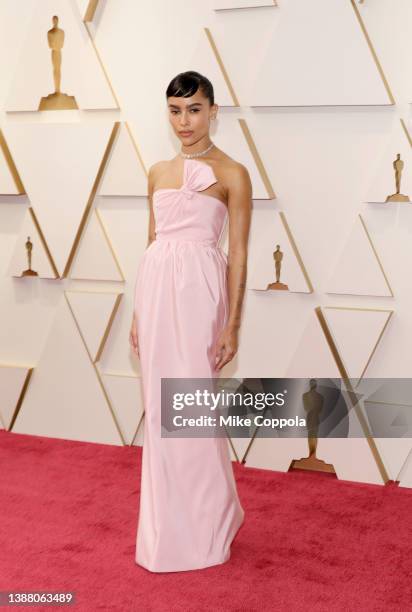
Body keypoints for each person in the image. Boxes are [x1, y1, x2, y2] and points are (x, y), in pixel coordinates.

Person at [129, 70, 252, 573]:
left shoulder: (234, 174)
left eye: (195, 109)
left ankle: (209, 523)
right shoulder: (157, 171)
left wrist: (233, 325)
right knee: (161, 414)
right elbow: (152, 244)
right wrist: (138, 314)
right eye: (176, 111)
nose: (185, 121)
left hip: (201, 296)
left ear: (214, 111)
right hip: (157, 295)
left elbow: (239, 254)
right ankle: (166, 530)